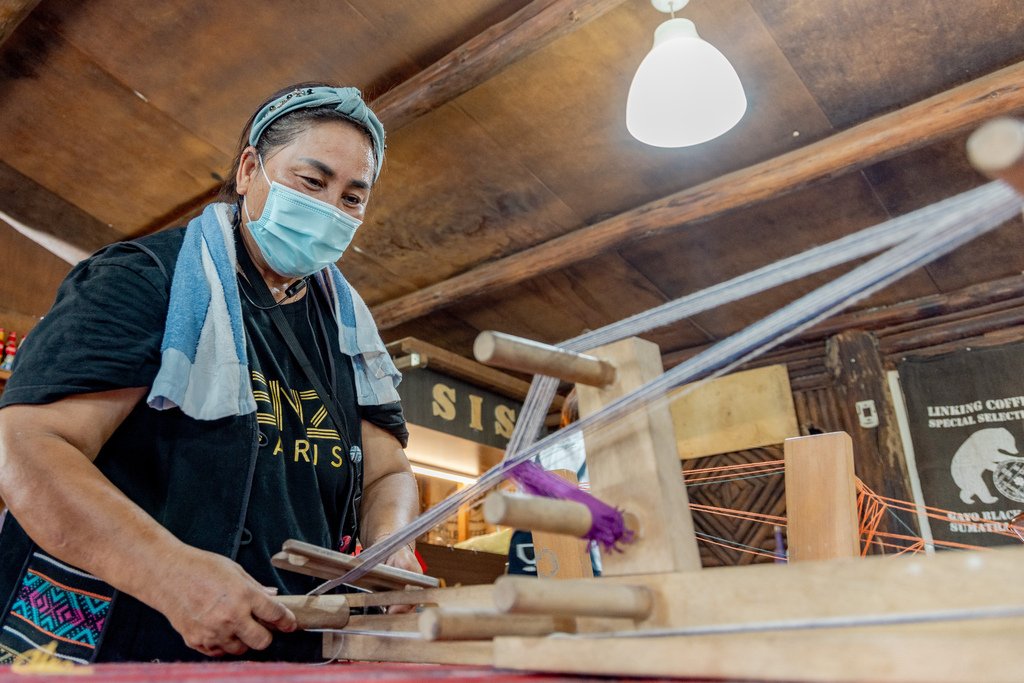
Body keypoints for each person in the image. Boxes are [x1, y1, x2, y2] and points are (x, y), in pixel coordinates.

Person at [0, 83, 420, 664]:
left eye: (352, 197)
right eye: (311, 181)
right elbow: (27, 445)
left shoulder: (347, 330)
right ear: (250, 169)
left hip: (284, 650)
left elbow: (387, 474)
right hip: (111, 641)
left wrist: (389, 546)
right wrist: (169, 573)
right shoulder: (146, 280)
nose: (329, 209)